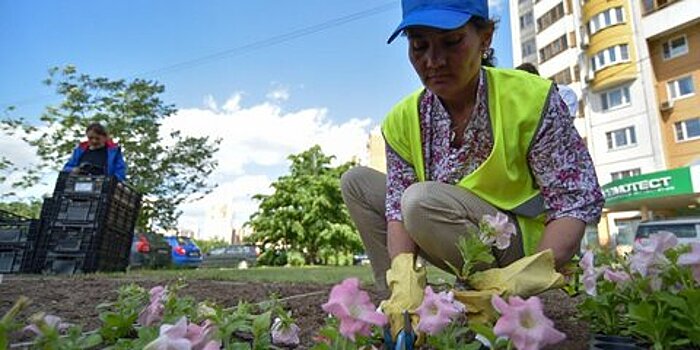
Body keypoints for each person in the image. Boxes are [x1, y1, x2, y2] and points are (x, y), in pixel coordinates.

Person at [340, 0, 603, 341]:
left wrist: (521, 279)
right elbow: (394, 209)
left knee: (418, 200)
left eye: (451, 42)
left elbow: (574, 202)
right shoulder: (403, 119)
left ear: (485, 38)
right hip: (450, 228)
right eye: (419, 45)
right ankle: (401, 309)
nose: (433, 62)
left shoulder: (531, 99)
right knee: (357, 182)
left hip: (522, 248)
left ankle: (494, 298)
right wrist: (404, 284)